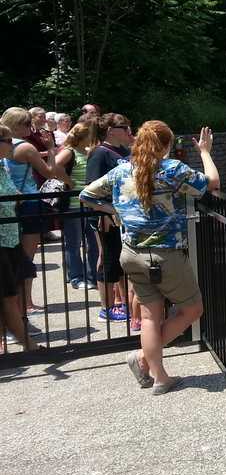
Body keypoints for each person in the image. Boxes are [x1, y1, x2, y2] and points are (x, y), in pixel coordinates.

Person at [80, 122, 220, 394]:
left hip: (131, 254)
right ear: (166, 145)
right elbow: (212, 182)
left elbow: (86, 195)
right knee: (192, 310)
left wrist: (113, 210)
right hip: (165, 254)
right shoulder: (172, 170)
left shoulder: (121, 170)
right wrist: (204, 151)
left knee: (149, 318)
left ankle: (159, 377)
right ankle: (145, 360)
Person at [0, 107, 68, 313]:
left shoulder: (6, 147)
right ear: (19, 125)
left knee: (12, 256)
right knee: (26, 258)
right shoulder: (25, 148)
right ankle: (26, 303)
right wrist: (52, 150)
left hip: (10, 205)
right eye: (27, 123)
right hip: (29, 202)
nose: (30, 127)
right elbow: (49, 173)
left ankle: (17, 304)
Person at [85, 113, 136, 327]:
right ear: (111, 130)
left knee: (124, 261)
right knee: (109, 259)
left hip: (125, 217)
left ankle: (124, 303)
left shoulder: (125, 151)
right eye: (124, 128)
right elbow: (91, 189)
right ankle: (106, 308)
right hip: (107, 217)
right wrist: (105, 212)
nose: (129, 132)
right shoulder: (99, 153)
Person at [0, 124, 40, 351]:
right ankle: (28, 345)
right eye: (8, 141)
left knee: (12, 288)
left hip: (10, 236)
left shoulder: (1, 166)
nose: (11, 146)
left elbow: (12, 192)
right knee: (7, 295)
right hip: (1, 240)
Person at [55, 123, 103, 296]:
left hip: (89, 204)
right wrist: (69, 181)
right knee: (73, 243)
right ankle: (75, 277)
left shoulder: (89, 151)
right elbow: (55, 166)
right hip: (73, 206)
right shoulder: (70, 151)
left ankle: (92, 276)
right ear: (84, 136)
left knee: (93, 244)